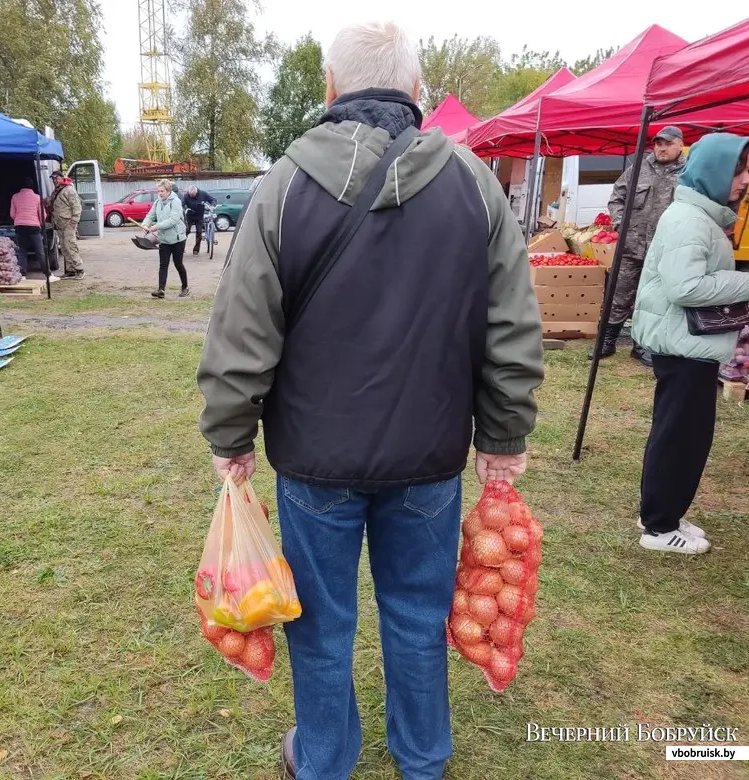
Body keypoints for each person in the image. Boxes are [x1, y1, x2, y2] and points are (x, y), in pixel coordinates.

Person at [196, 21, 544, 780]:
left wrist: (229, 435)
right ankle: (423, 759)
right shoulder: (473, 183)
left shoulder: (284, 185)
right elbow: (512, 324)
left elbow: (242, 328)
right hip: (427, 460)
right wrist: (505, 432)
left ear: (329, 87)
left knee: (320, 627)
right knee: (417, 621)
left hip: (316, 463)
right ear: (417, 91)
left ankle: (324, 761)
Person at [632, 133, 749, 555]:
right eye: (737, 170)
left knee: (676, 433)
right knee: (682, 438)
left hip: (688, 344)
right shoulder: (689, 219)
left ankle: (661, 512)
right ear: (714, 171)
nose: (745, 180)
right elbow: (685, 286)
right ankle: (659, 527)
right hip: (685, 345)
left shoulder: (698, 216)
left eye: (747, 169)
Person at [599, 126, 687, 364]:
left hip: (663, 250)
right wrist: (619, 225)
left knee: (651, 300)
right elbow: (617, 198)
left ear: (680, 145)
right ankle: (607, 342)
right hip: (631, 248)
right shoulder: (638, 169)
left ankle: (641, 346)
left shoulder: (688, 173)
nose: (662, 148)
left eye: (667, 143)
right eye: (658, 143)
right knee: (618, 295)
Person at [143, 179, 190, 299]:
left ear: (168, 191)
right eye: (158, 191)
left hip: (177, 239)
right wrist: (145, 224)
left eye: (162, 191)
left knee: (178, 263)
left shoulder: (176, 202)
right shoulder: (158, 202)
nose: (160, 193)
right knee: (163, 265)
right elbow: (150, 215)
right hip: (164, 239)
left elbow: (173, 221)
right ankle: (161, 290)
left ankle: (185, 287)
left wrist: (156, 227)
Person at [47, 170, 84, 280]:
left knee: (71, 247)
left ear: (62, 178)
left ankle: (80, 269)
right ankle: (70, 270)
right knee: (64, 248)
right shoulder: (56, 191)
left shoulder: (69, 190)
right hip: (59, 224)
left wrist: (74, 222)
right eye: (53, 179)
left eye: (56, 178)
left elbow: (77, 207)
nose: (54, 181)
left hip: (68, 224)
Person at [9, 178, 46, 280]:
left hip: (19, 226)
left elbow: (12, 214)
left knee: (22, 251)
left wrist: (19, 219)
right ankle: (48, 274)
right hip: (34, 227)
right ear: (32, 186)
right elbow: (43, 215)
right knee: (40, 251)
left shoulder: (15, 197)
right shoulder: (37, 197)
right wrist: (40, 224)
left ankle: (23, 275)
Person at [182, 184, 216, 255]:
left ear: (196, 192)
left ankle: (196, 250)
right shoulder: (186, 196)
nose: (191, 196)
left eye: (193, 195)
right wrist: (183, 208)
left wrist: (212, 205)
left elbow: (212, 199)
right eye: (190, 195)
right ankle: (181, 248)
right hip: (190, 216)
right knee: (186, 231)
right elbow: (182, 204)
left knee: (199, 232)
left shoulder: (203, 194)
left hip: (199, 216)